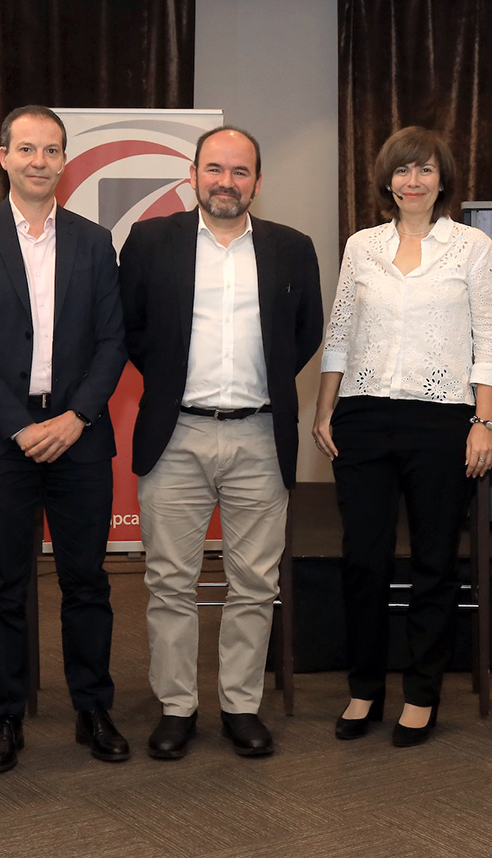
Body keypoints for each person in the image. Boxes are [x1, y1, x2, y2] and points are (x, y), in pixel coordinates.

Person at [119, 126, 322, 759]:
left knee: (254, 583)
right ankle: (176, 706)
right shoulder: (152, 241)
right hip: (175, 432)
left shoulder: (293, 248)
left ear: (257, 182)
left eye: (239, 172)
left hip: (261, 434)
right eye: (214, 169)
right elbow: (132, 328)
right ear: (193, 174)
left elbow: (306, 330)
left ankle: (240, 705)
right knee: (169, 582)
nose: (225, 182)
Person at [0, 105, 129, 774]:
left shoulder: (92, 239)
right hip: (2, 439)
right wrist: (22, 426)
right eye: (26, 149)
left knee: (87, 582)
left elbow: (114, 341)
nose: (39, 160)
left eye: (51, 150)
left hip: (79, 433)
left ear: (64, 160)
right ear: (4, 157)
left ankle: (93, 709)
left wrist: (77, 417)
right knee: (3, 585)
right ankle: (5, 718)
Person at [314, 127, 492, 747]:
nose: (413, 181)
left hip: (442, 420)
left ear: (442, 180)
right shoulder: (360, 247)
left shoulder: (472, 247)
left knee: (433, 561)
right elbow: (339, 334)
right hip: (362, 417)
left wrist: (484, 421)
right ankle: (364, 688)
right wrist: (323, 412)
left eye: (425, 170)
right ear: (387, 181)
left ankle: (422, 693)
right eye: (402, 171)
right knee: (363, 560)